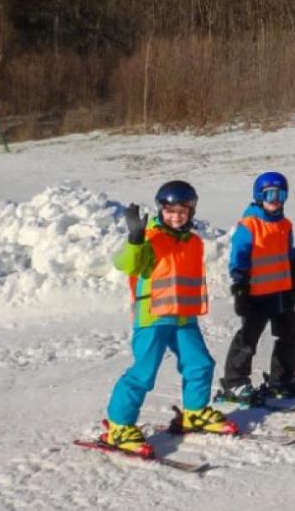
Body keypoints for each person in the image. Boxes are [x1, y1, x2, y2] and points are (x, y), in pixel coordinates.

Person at [101, 180, 237, 451]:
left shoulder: (194, 242)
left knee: (200, 364)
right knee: (143, 372)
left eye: (182, 211)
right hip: (153, 316)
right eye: (170, 210)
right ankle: (119, 425)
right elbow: (125, 264)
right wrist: (135, 239)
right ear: (160, 209)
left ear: (191, 212)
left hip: (184, 317)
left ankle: (195, 412)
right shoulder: (150, 238)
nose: (176, 216)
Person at [218, 171, 295, 403]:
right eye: (269, 194)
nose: (275, 199)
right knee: (248, 340)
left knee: (290, 335)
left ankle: (281, 379)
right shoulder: (249, 225)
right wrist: (240, 288)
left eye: (280, 194)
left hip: (281, 294)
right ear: (259, 195)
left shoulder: (285, 224)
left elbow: (289, 254)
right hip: (257, 295)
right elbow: (238, 259)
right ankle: (235, 382)